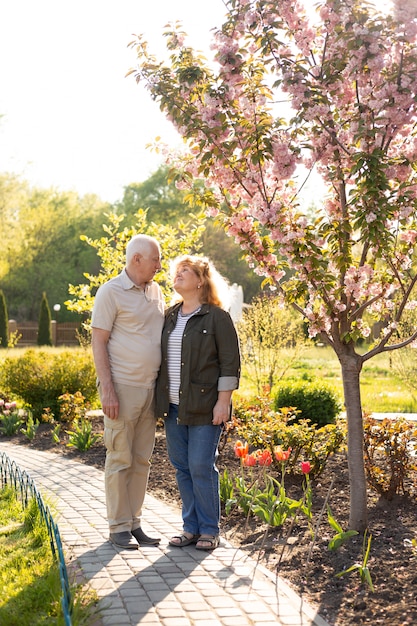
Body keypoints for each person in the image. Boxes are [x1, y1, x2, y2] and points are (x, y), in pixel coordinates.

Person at [156, 255, 241, 551]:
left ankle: (209, 529)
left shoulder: (217, 317)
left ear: (200, 281)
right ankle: (190, 527)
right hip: (173, 406)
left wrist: (223, 403)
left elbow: (230, 363)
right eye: (176, 270)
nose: (177, 274)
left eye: (185, 271)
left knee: (201, 465)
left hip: (206, 407)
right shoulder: (169, 315)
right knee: (182, 467)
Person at [91, 234, 165, 550]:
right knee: (120, 457)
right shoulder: (111, 292)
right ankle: (118, 526)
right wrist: (107, 389)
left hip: (151, 388)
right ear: (136, 259)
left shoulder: (156, 291)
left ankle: (134, 523)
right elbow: (98, 341)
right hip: (121, 387)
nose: (159, 267)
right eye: (155, 260)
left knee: (141, 460)